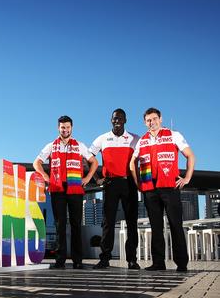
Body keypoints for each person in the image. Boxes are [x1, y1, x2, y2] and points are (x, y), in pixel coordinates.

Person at [129, 107, 195, 272]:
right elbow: (132, 163)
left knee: (175, 225)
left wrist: (187, 178)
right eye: (148, 120)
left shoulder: (174, 135)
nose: (152, 122)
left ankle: (182, 263)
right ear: (145, 123)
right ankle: (158, 263)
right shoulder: (142, 140)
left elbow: (190, 155)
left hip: (170, 187)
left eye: (154, 119)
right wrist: (138, 184)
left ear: (161, 119)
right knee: (156, 227)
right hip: (150, 189)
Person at [34, 115, 98, 269]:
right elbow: (36, 162)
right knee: (59, 225)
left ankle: (78, 261)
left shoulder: (80, 145)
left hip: (75, 189)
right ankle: (60, 260)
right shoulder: (51, 146)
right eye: (63, 127)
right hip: (57, 189)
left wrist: (88, 178)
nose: (65, 130)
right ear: (58, 128)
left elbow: (94, 162)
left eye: (68, 127)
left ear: (72, 128)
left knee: (76, 224)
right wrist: (45, 176)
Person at [89, 109, 140, 270]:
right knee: (107, 222)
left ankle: (132, 259)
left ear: (126, 120)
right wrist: (96, 178)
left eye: (120, 118)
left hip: (129, 183)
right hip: (110, 184)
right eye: (114, 118)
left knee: (132, 222)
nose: (117, 120)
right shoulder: (102, 138)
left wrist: (141, 182)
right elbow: (87, 158)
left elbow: (145, 160)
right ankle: (105, 258)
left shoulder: (135, 139)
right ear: (111, 120)